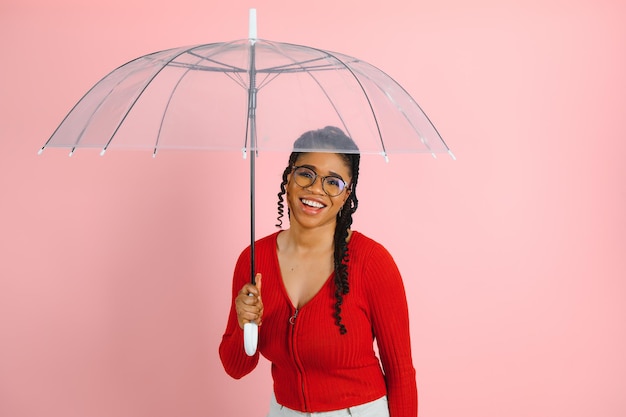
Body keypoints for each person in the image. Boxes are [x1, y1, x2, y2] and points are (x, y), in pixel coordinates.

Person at [219, 126, 417, 417]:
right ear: (288, 177)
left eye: (333, 182)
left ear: (347, 193)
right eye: (306, 173)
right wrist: (244, 322)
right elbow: (237, 367)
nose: (315, 189)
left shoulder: (372, 262)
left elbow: (400, 372)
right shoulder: (254, 259)